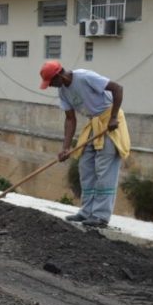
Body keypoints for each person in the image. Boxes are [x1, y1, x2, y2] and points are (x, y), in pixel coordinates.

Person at [39, 60, 130, 228]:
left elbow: (118, 88)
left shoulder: (85, 77)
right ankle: (86, 211)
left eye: (50, 82)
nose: (50, 86)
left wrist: (113, 117)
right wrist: (65, 148)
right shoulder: (62, 92)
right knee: (85, 166)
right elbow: (70, 119)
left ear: (59, 76)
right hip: (93, 123)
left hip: (110, 122)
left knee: (104, 170)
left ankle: (100, 216)